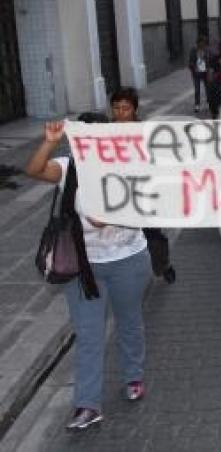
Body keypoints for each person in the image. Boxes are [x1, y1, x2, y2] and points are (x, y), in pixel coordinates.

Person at [26, 115, 152, 431]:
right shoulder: (68, 169)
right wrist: (51, 141)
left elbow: (149, 208)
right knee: (88, 334)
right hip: (84, 267)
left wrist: (110, 219)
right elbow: (35, 170)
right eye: (85, 139)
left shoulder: (128, 167)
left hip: (128, 259)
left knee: (129, 322)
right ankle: (87, 404)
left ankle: (133, 377)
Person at [108, 87, 176, 284]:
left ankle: (163, 264)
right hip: (116, 192)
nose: (120, 113)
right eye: (116, 108)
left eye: (125, 108)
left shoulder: (145, 133)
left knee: (151, 233)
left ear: (134, 110)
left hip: (144, 192)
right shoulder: (102, 133)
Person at [187, 35, 210, 113]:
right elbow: (190, 62)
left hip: (205, 73)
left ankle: (209, 103)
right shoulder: (193, 50)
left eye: (204, 43)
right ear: (198, 43)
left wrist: (208, 68)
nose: (203, 45)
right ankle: (197, 105)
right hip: (196, 73)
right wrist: (194, 68)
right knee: (197, 90)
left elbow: (210, 60)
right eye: (201, 43)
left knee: (208, 89)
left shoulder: (206, 50)